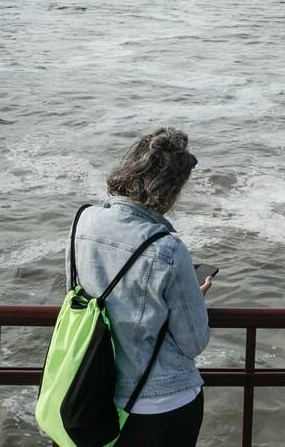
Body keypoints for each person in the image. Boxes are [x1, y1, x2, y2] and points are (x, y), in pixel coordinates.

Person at [67, 127, 210, 447]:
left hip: (92, 390)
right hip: (160, 403)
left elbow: (80, 300)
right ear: (169, 190)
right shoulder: (167, 248)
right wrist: (194, 301)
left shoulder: (82, 221)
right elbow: (193, 342)